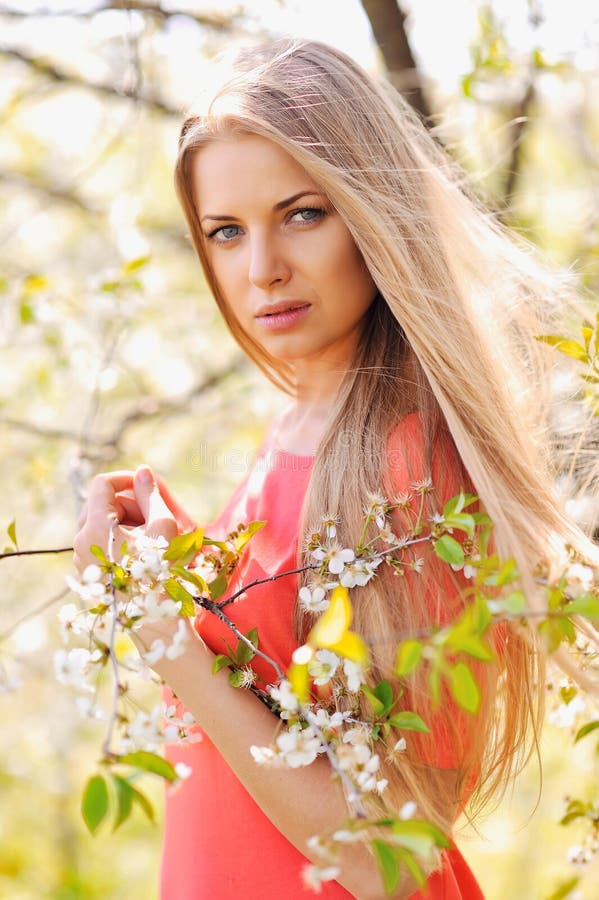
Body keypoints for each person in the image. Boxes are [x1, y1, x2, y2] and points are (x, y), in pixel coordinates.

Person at [73, 39, 599, 899]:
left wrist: (164, 635)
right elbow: (279, 706)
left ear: (371, 212)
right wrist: (184, 569)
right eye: (227, 231)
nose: (261, 268)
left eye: (304, 213)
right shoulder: (298, 427)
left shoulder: (407, 464)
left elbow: (381, 852)